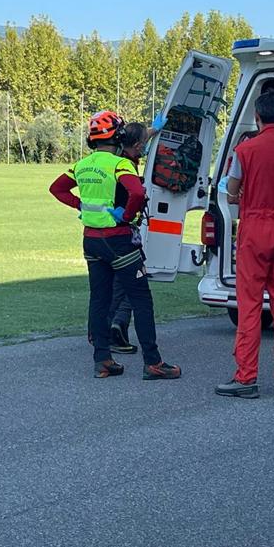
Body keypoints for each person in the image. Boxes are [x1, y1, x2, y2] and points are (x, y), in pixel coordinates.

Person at [50, 110, 181, 380]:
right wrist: (127, 214)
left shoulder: (82, 165)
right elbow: (137, 192)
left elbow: (57, 188)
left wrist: (80, 205)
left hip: (91, 241)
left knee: (99, 299)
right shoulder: (119, 165)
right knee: (141, 299)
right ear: (119, 136)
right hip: (118, 240)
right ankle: (153, 362)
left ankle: (103, 360)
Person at [215, 90, 274, 399]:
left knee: (251, 305)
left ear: (257, 116)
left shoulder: (245, 151)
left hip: (256, 227)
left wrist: (239, 196)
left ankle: (246, 378)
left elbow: (231, 191)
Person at [106, 120, 160, 354]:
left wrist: (154, 129)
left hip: (103, 233)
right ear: (137, 146)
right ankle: (113, 328)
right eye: (144, 144)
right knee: (133, 283)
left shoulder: (117, 153)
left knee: (115, 284)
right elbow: (135, 194)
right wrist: (129, 214)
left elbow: (138, 136)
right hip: (123, 231)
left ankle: (113, 327)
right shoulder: (125, 166)